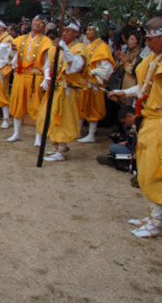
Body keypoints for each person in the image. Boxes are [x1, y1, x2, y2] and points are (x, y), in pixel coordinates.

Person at [108, 17, 162, 238]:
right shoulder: (153, 59)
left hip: (159, 122)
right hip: (148, 120)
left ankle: (157, 221)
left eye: (152, 39)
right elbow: (143, 87)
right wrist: (124, 93)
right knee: (145, 169)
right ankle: (153, 215)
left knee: (155, 172)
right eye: (147, 39)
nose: (148, 43)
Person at [37, 21, 87, 162]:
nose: (64, 33)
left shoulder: (79, 48)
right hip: (54, 87)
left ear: (76, 33)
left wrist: (64, 48)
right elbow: (48, 65)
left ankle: (62, 149)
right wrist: (47, 77)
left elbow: (75, 67)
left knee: (62, 119)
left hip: (67, 89)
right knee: (50, 117)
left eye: (68, 31)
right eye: (63, 30)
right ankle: (55, 146)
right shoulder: (55, 48)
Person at [6, 14, 53, 143]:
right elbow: (10, 56)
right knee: (17, 102)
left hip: (36, 76)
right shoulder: (20, 39)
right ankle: (17, 133)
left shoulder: (46, 42)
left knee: (36, 105)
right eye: (35, 21)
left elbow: (48, 62)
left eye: (41, 22)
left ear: (44, 26)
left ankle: (38, 136)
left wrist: (46, 78)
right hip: (21, 74)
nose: (37, 23)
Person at [77, 24, 115, 143]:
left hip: (94, 83)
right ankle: (77, 131)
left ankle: (91, 134)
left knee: (94, 108)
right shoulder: (86, 46)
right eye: (87, 29)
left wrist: (93, 72)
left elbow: (107, 68)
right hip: (84, 82)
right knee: (80, 107)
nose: (87, 32)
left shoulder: (103, 48)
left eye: (90, 30)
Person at [96, 106, 137, 172]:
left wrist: (127, 144)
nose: (125, 124)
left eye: (124, 122)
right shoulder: (138, 123)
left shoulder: (139, 124)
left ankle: (118, 161)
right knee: (116, 146)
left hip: (138, 152)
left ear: (129, 116)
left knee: (114, 148)